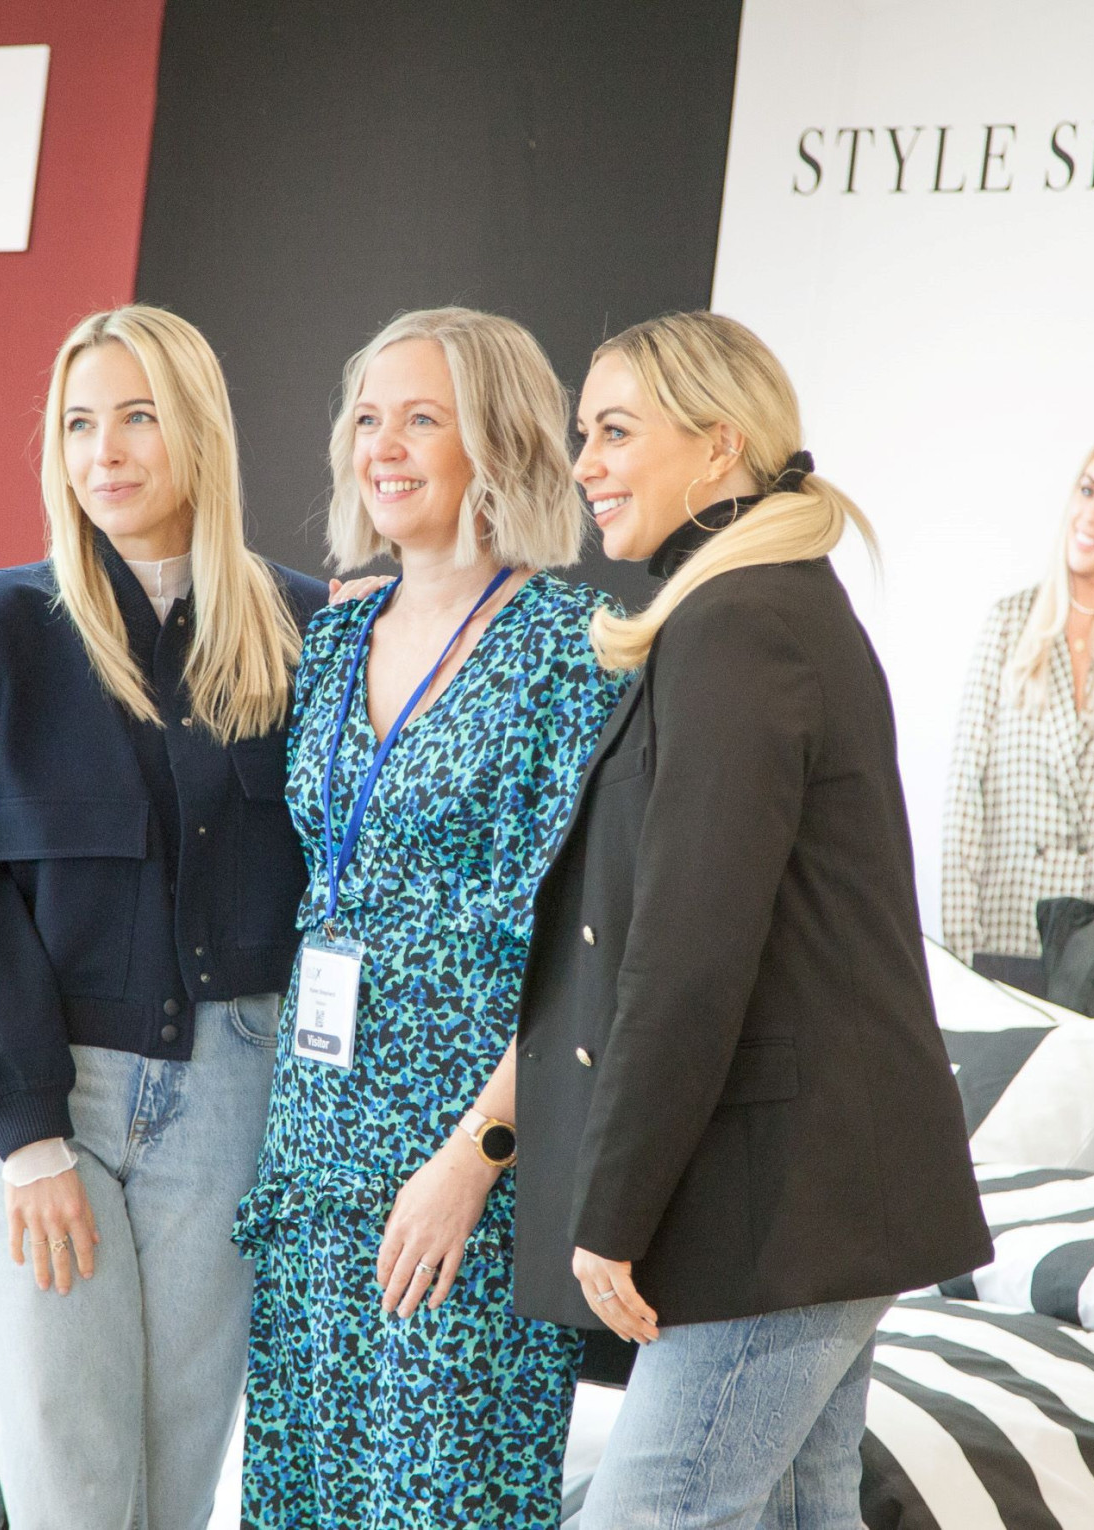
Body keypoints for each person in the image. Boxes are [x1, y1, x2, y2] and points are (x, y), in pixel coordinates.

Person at [512, 311, 992, 1530]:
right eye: (583, 434)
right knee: (798, 1513)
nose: (585, 464)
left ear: (719, 445)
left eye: (616, 432)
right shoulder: (762, 607)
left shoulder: (738, 623)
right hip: (812, 1190)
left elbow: (689, 955)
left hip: (783, 1195)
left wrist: (612, 1210)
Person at [0, 306, 326, 1530]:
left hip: (234, 1095)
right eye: (80, 424)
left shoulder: (311, 634)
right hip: (50, 1096)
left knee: (174, 1485)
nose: (106, 452)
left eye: (138, 417)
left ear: (200, 431)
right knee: (73, 1489)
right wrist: (28, 1137)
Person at [233, 307, 627, 1530]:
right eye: (367, 419)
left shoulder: (572, 652)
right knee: (300, 1496)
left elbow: (590, 949)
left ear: (497, 443)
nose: (383, 447)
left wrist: (475, 1158)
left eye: (420, 419)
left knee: (442, 1499)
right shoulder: (333, 636)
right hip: (312, 1153)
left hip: (465, 1164)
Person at [942, 430, 1094, 960]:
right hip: (1006, 934)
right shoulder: (1010, 622)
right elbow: (965, 796)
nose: (1090, 515)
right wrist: (961, 951)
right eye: (1087, 490)